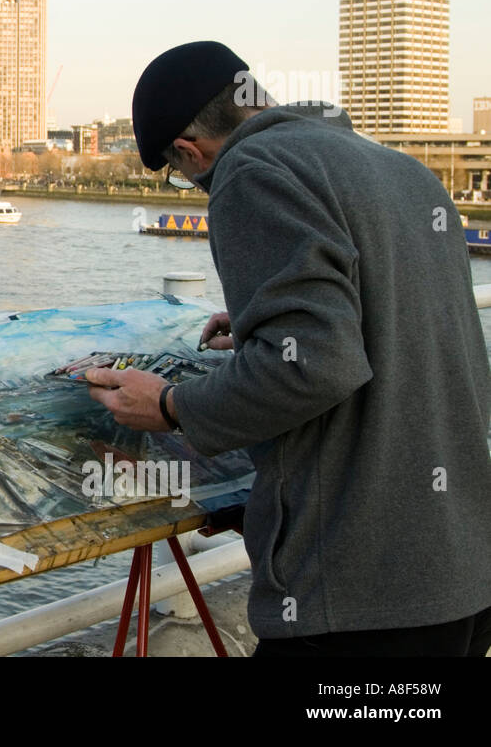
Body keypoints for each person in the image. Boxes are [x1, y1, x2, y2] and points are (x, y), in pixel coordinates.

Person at [84, 40, 491, 656]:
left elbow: (318, 365)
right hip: (461, 568)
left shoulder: (253, 174)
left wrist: (172, 405)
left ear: (189, 151)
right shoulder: (403, 171)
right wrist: (262, 327)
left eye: (178, 173)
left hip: (359, 592)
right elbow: (391, 321)